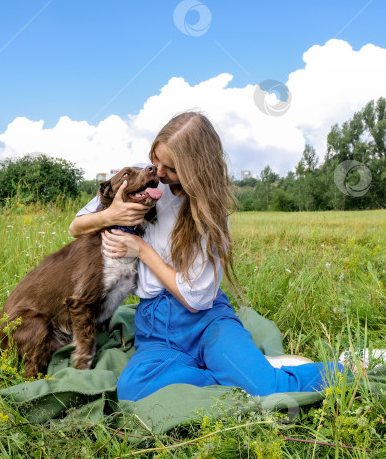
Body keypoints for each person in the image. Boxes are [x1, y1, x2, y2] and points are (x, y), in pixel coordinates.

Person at [69, 111, 344, 401]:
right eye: (155, 159)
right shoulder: (144, 178)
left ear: (194, 170)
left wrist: (143, 251)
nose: (159, 173)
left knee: (270, 390)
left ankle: (346, 370)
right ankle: (238, 375)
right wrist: (110, 214)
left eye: (170, 168)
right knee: (133, 390)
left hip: (207, 322)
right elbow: (76, 225)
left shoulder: (210, 215)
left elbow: (195, 299)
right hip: (156, 327)